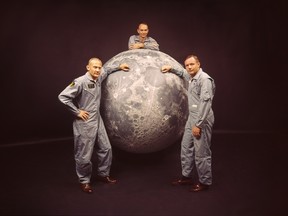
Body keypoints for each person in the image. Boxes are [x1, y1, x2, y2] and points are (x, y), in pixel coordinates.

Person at [58, 58, 129, 194]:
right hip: (85, 121)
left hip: (97, 118)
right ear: (88, 68)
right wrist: (77, 111)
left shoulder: (99, 76)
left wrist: (119, 66)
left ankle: (103, 174)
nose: (97, 70)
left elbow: (107, 70)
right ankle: (84, 181)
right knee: (84, 155)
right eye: (94, 67)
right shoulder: (80, 82)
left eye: (99, 67)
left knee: (106, 148)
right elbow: (63, 97)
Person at [161, 54, 216, 192]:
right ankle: (186, 177)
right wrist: (171, 68)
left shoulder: (205, 80)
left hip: (201, 119)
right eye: (187, 65)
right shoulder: (191, 77)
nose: (189, 67)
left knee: (201, 152)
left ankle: (204, 182)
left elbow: (205, 103)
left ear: (198, 64)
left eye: (192, 64)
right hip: (192, 118)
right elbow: (182, 72)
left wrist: (199, 124)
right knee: (186, 147)